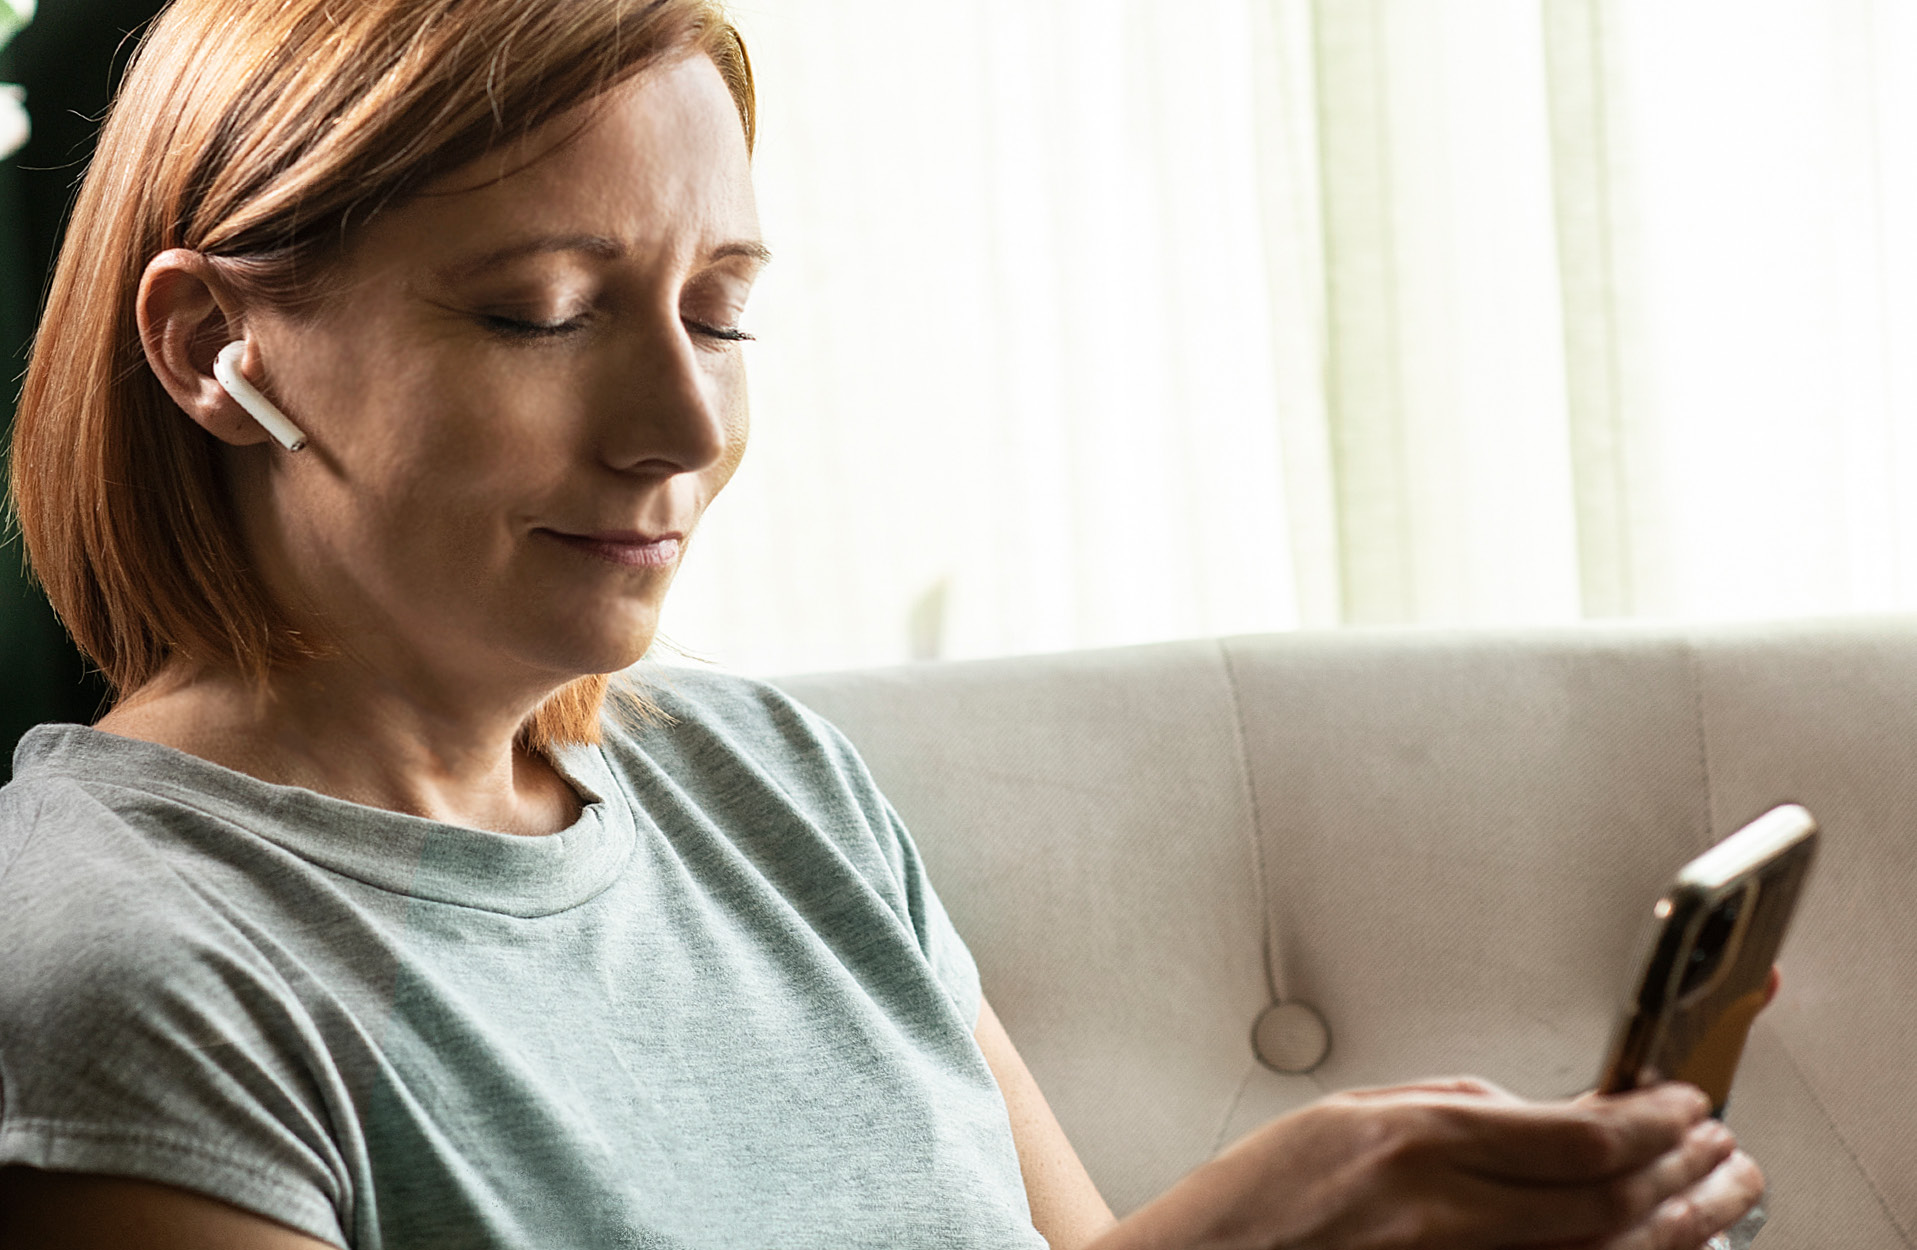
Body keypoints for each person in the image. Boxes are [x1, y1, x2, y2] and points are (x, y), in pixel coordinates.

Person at [0, 1, 1768, 1246]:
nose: (685, 427)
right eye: (545, 311)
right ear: (210, 352)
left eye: (721, 309)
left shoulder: (767, 781)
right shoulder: (121, 979)